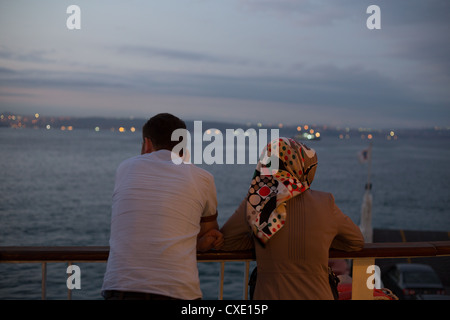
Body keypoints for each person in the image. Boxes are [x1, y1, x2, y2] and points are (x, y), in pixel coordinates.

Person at [220, 137, 364, 300]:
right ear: (305, 166)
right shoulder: (326, 203)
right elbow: (356, 241)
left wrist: (261, 240)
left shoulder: (256, 202)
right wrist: (321, 240)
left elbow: (226, 242)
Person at [102, 113, 223, 300]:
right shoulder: (203, 178)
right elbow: (210, 234)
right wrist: (200, 243)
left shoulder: (125, 168)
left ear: (147, 143)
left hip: (120, 287)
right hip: (177, 291)